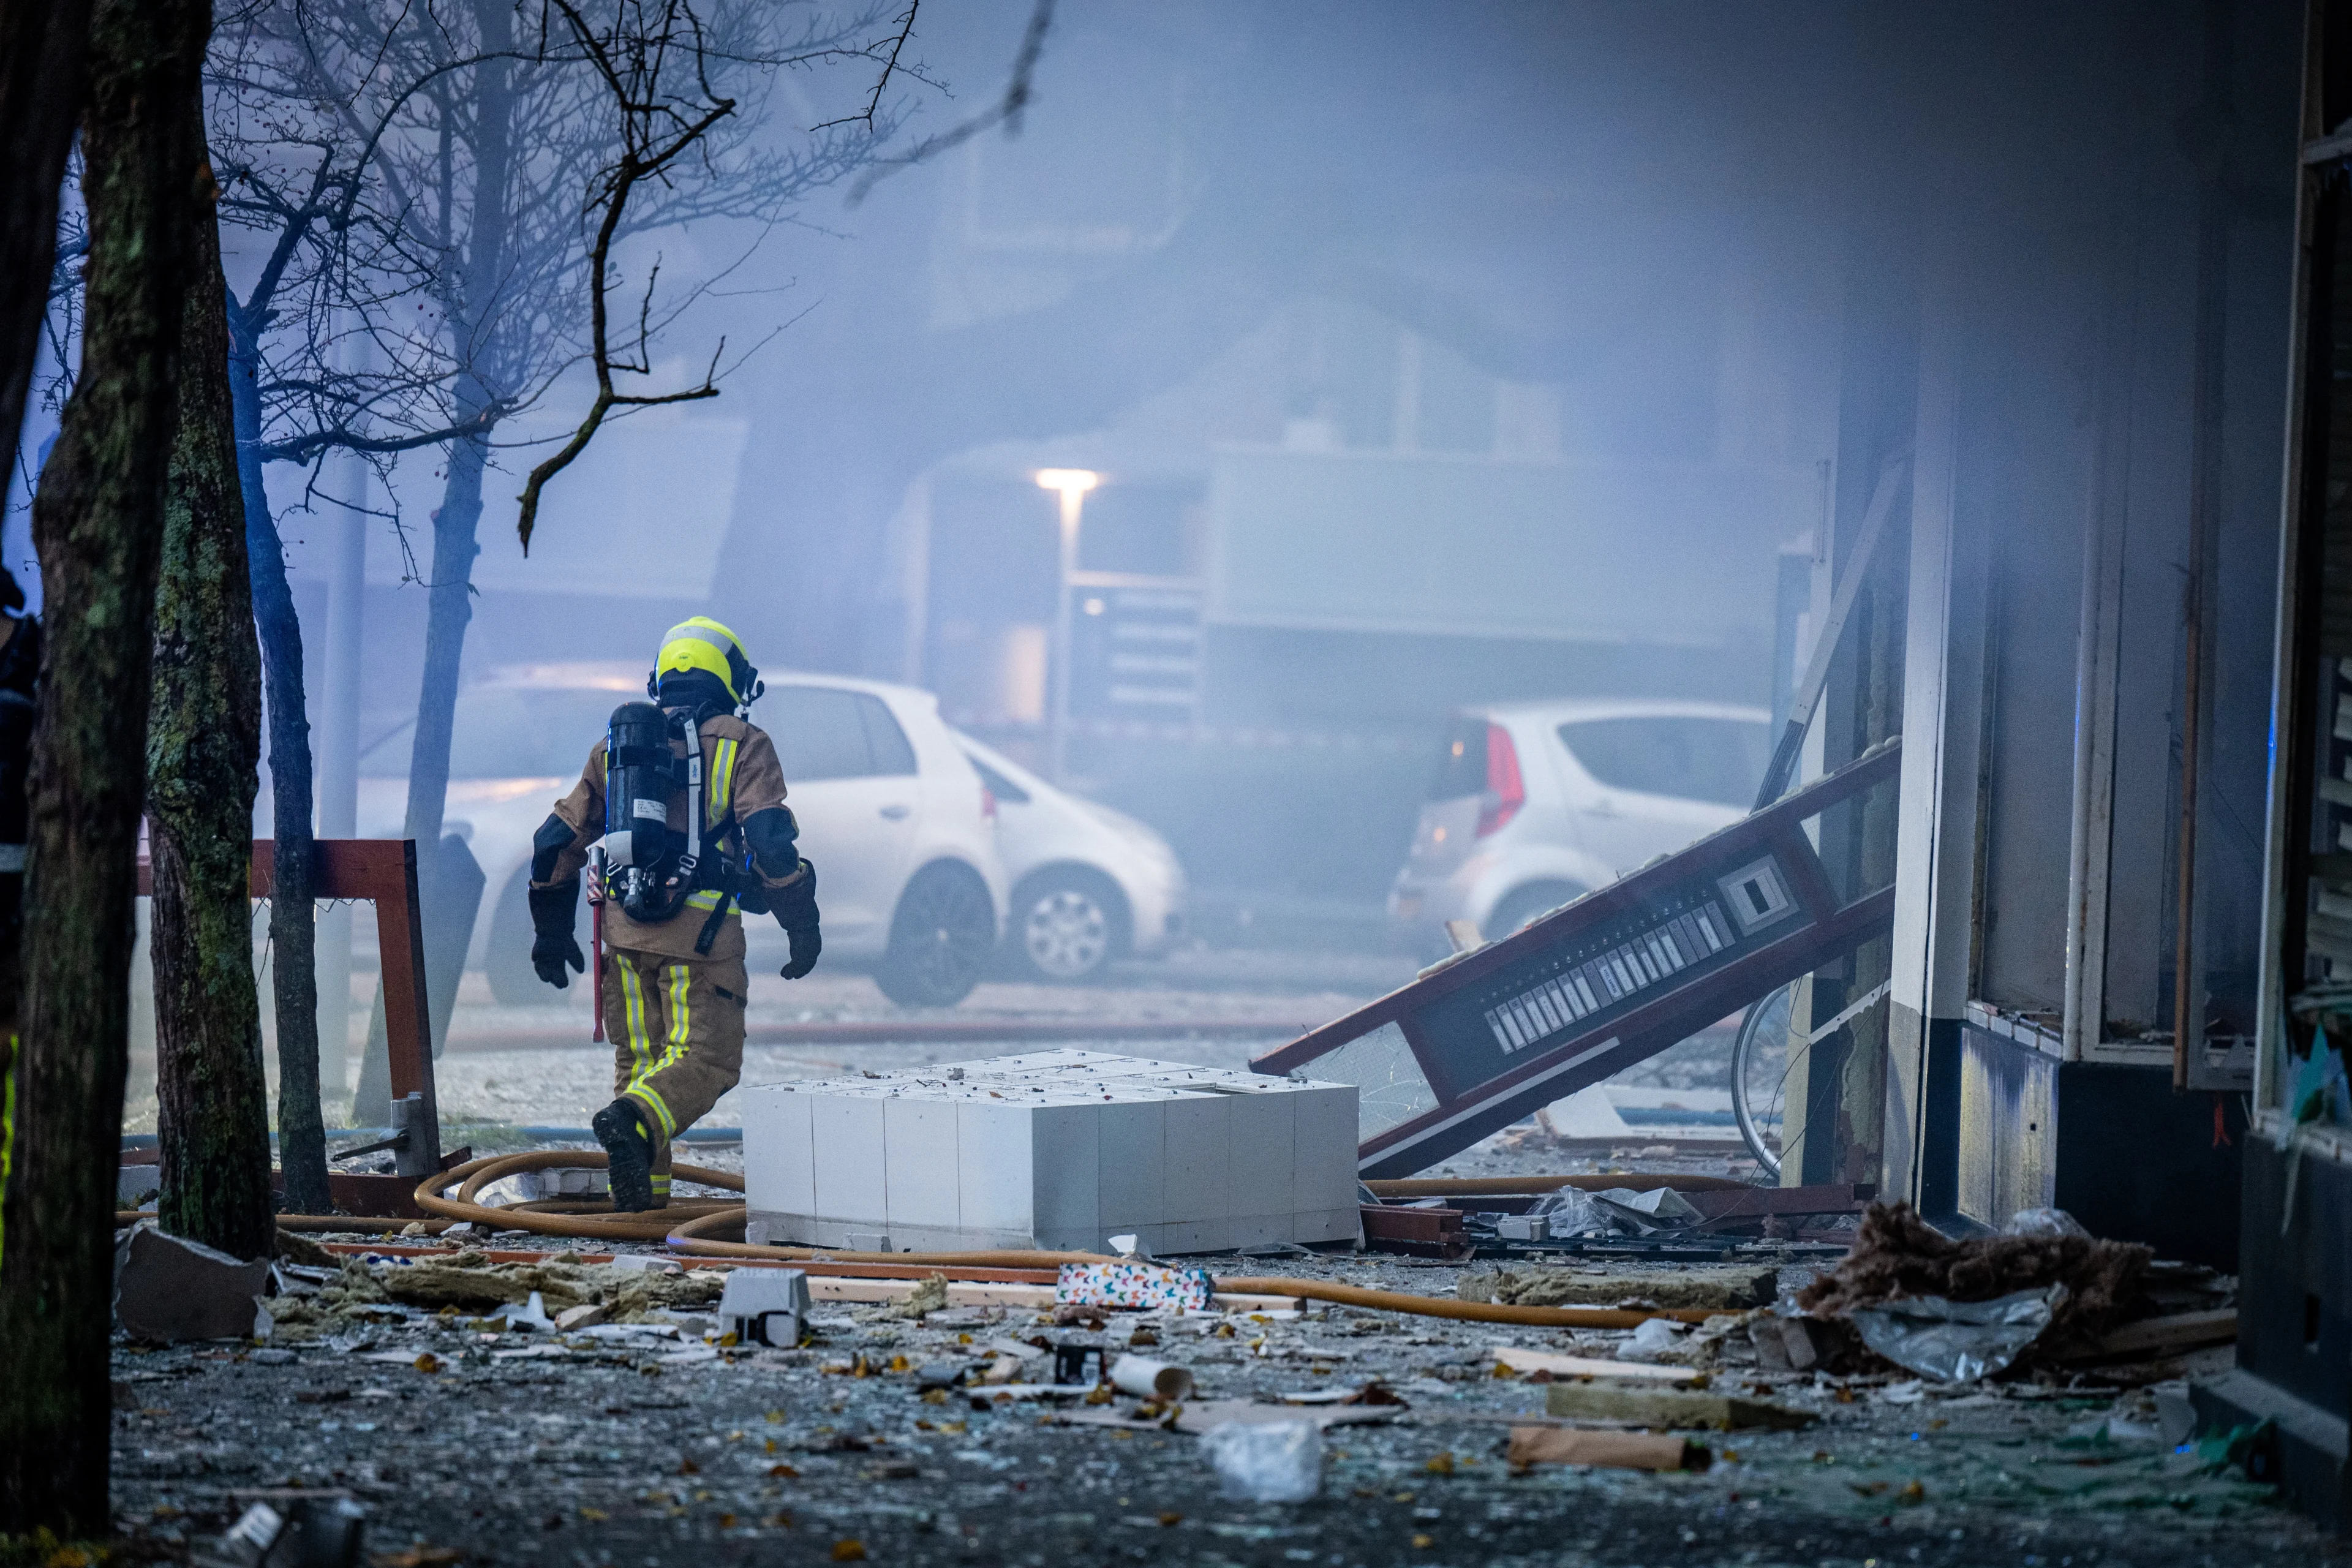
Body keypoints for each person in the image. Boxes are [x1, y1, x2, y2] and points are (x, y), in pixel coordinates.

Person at [526, 618, 820, 1211]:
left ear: (661, 677)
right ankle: (632, 1124)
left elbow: (553, 839)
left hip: (624, 939)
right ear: (732, 679)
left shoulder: (617, 747)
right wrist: (801, 920)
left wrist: (551, 931)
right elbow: (768, 837)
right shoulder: (743, 742)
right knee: (705, 1059)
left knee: (642, 1061)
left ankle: (641, 1205)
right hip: (701, 942)